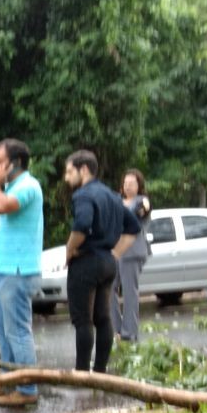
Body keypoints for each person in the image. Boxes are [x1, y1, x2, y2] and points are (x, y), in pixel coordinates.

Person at [62, 150, 140, 373]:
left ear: (83, 169)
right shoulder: (113, 197)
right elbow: (133, 227)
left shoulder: (84, 196)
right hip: (107, 263)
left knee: (83, 320)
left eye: (69, 172)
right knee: (103, 318)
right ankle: (100, 371)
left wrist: (70, 250)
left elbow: (82, 225)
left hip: (86, 263)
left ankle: (81, 373)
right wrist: (114, 253)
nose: (67, 178)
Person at [0, 138, 44, 407]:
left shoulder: (28, 186)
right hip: (3, 271)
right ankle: (10, 382)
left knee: (18, 331)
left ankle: (28, 389)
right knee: (1, 328)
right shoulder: (12, 186)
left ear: (15, 163)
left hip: (18, 272)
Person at [110, 169, 152, 342]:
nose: (127, 187)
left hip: (133, 250)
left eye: (132, 184)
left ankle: (129, 332)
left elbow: (141, 210)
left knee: (129, 291)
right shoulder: (117, 200)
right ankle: (116, 328)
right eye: (125, 183)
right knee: (107, 289)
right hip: (115, 250)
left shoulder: (142, 201)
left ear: (139, 185)